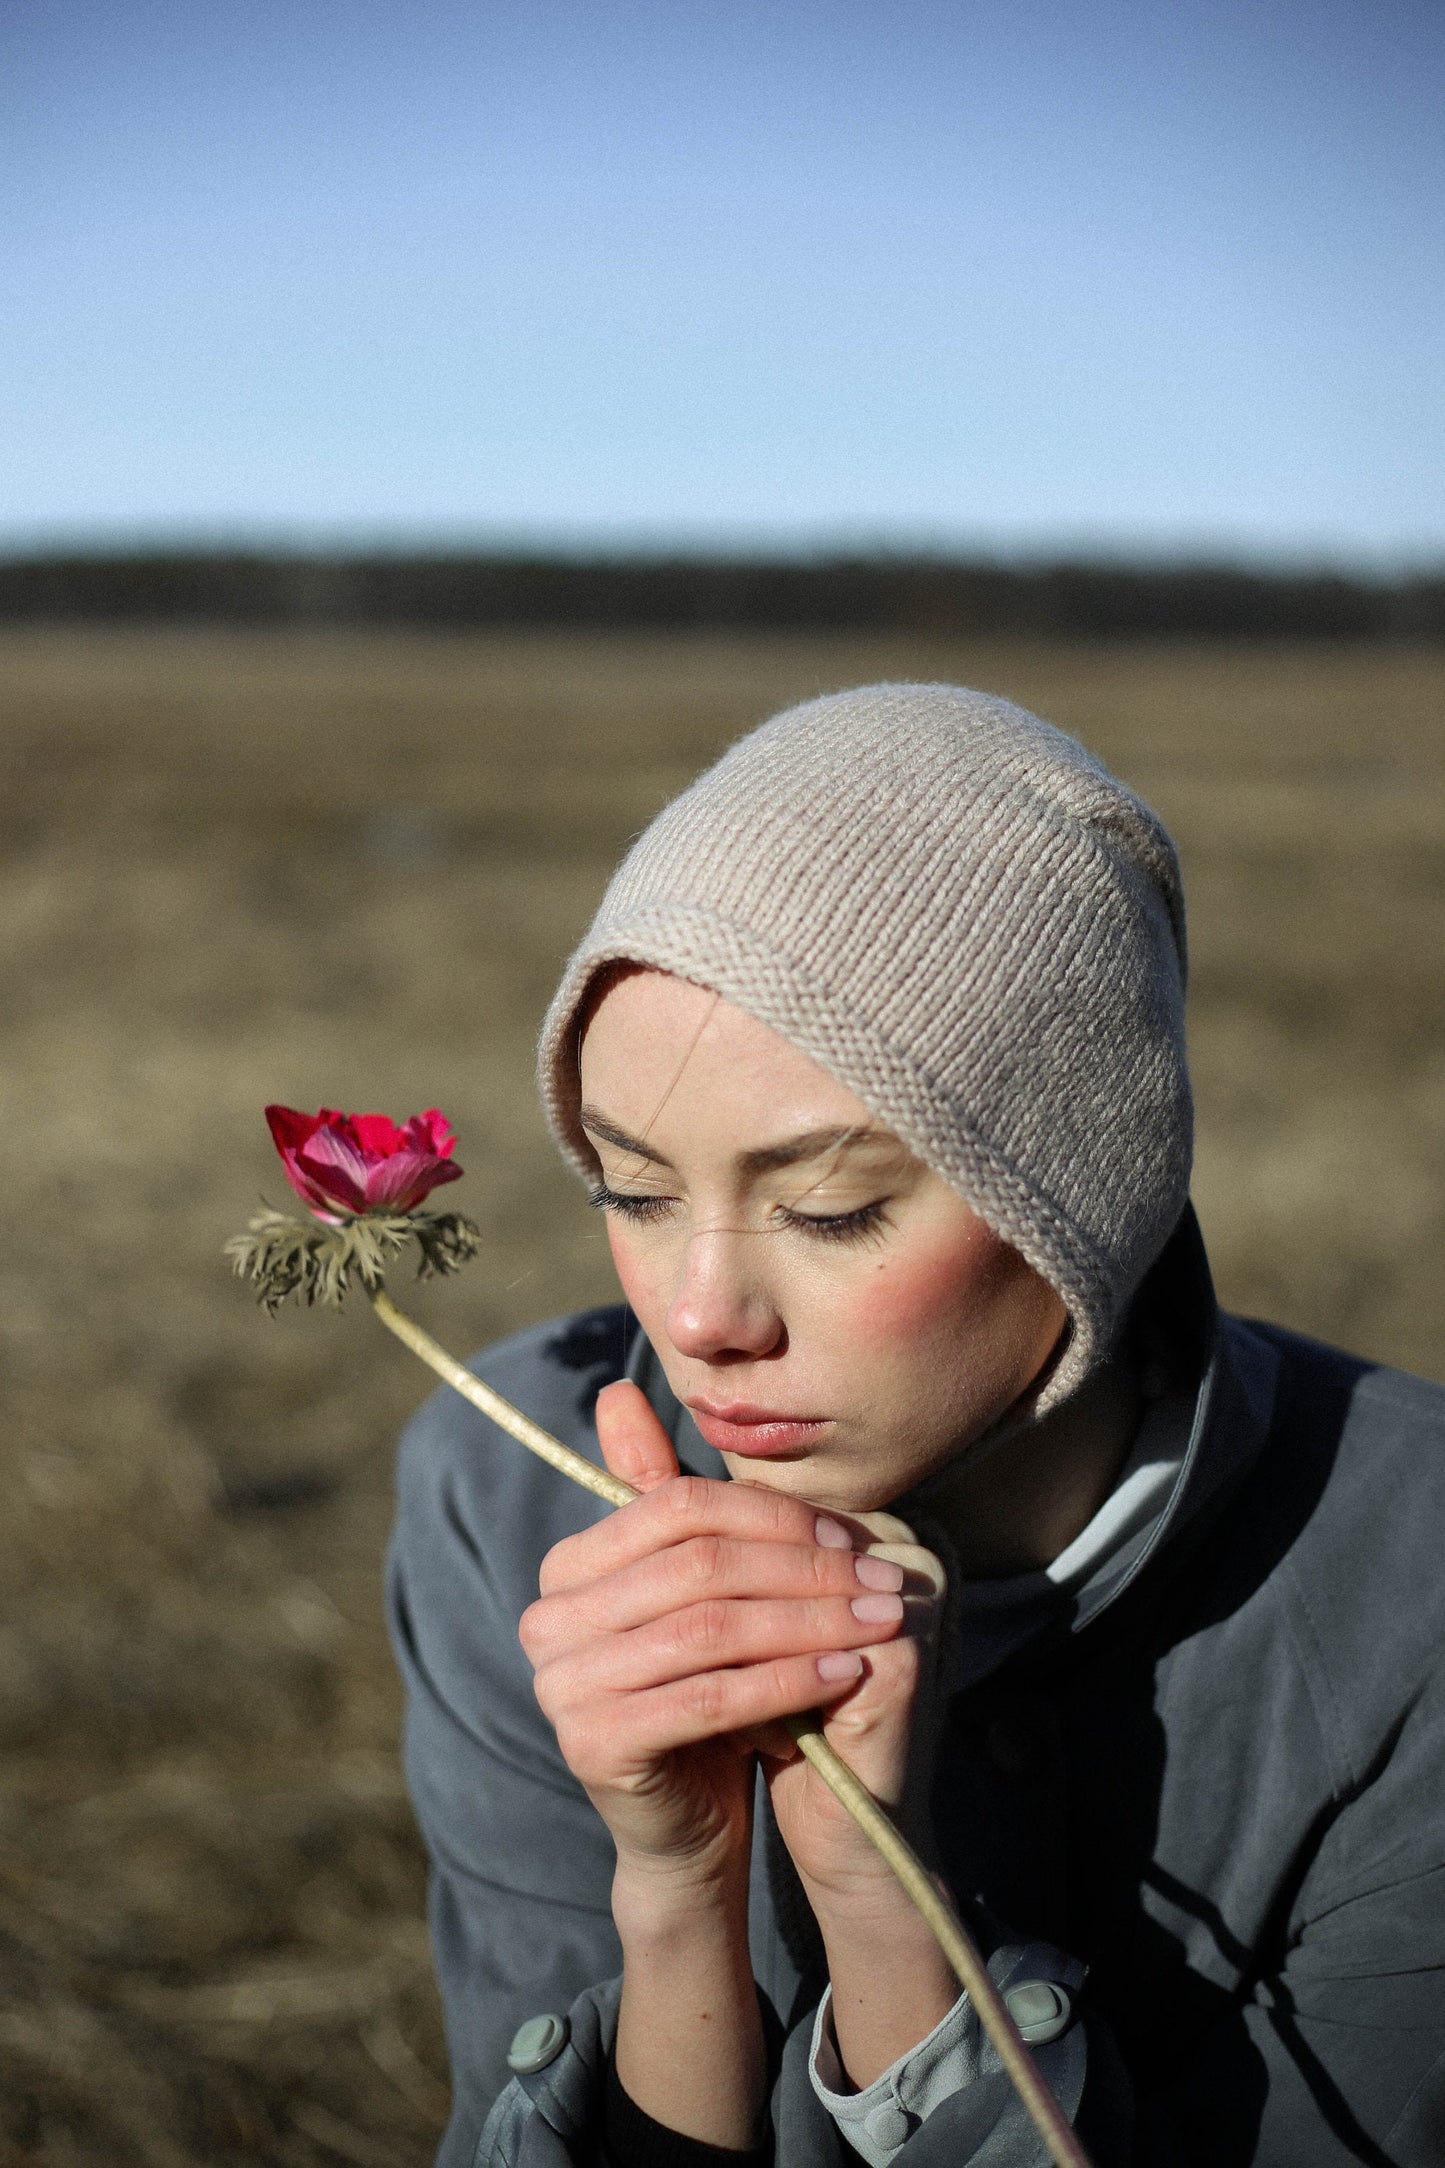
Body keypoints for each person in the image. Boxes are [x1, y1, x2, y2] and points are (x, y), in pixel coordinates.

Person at [386, 683, 1445, 2167]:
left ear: (1086, 1196)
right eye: (630, 1188)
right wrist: (678, 1905)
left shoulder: (1411, 1589)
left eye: (830, 1208)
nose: (698, 1317)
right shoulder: (504, 1498)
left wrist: (893, 1932)